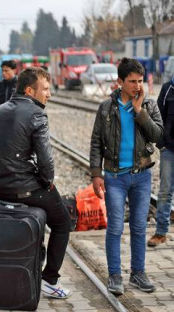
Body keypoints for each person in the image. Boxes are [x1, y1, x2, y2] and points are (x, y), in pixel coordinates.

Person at [0, 67, 72, 299]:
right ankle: (50, 279)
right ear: (30, 91)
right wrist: (46, 181)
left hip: (1, 188)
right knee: (62, 222)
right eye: (45, 89)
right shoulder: (36, 114)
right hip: (28, 189)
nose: (49, 94)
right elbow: (46, 159)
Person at [90, 57, 162, 294]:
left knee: (140, 227)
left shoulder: (149, 105)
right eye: (132, 81)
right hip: (114, 177)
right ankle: (114, 276)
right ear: (120, 81)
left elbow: (158, 137)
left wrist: (140, 111)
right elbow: (96, 143)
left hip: (141, 176)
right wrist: (96, 174)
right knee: (115, 228)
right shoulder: (106, 108)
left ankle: (138, 273)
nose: (137, 86)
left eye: (141, 81)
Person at [147, 75, 174, 247]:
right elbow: (158, 119)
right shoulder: (167, 89)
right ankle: (161, 232)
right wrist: (161, 144)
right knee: (165, 192)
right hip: (169, 151)